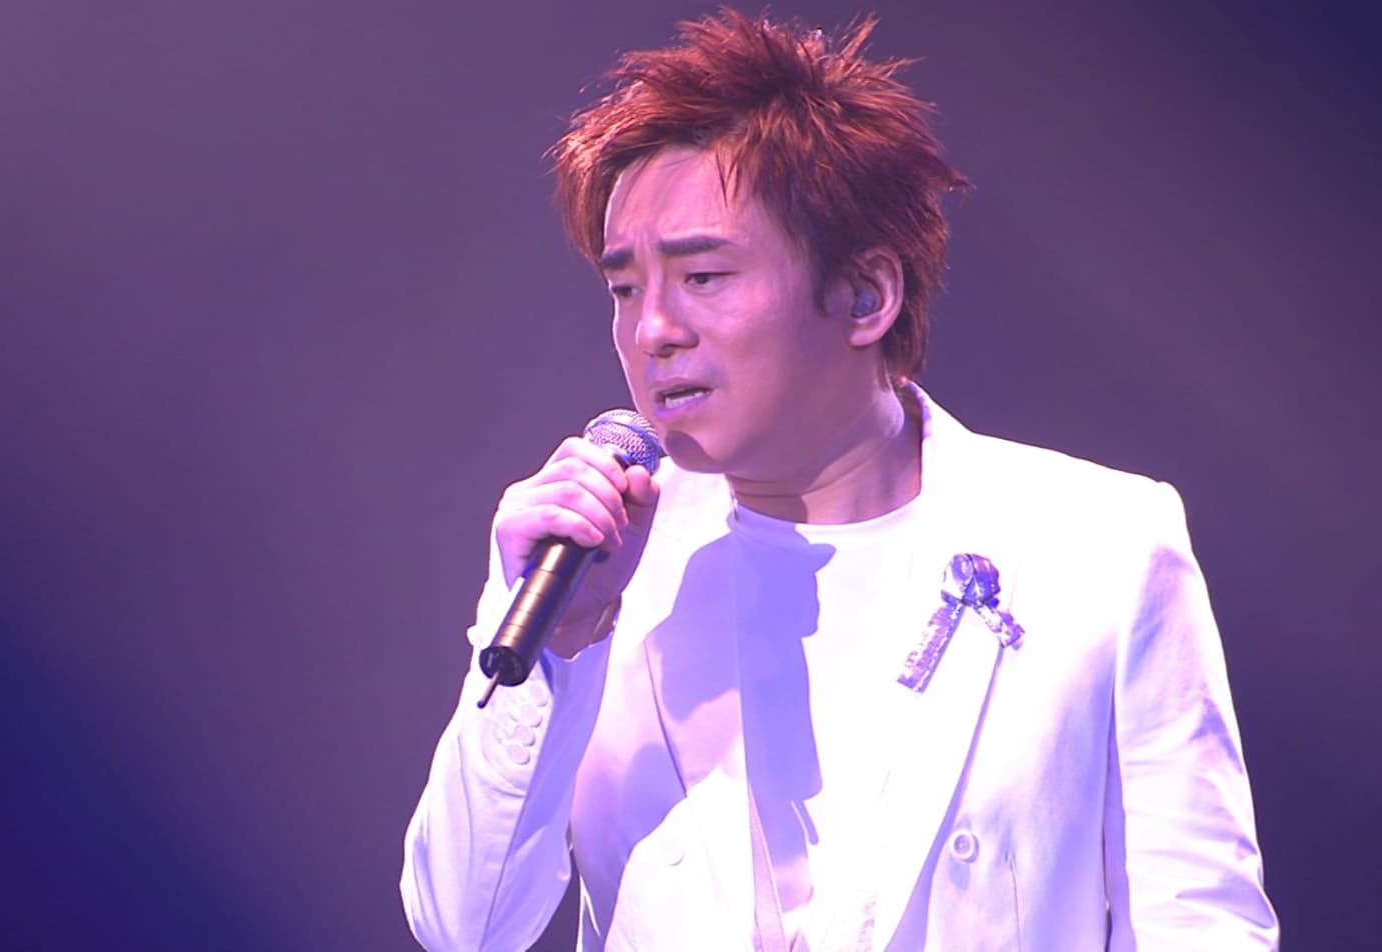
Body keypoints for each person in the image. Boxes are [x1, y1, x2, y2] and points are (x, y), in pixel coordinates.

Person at [400, 9, 1277, 950]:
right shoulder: (596, 568)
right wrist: (559, 646)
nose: (652, 329)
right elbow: (464, 927)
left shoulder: (1097, 541)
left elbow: (1200, 922)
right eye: (624, 288)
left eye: (702, 276)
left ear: (865, 295)